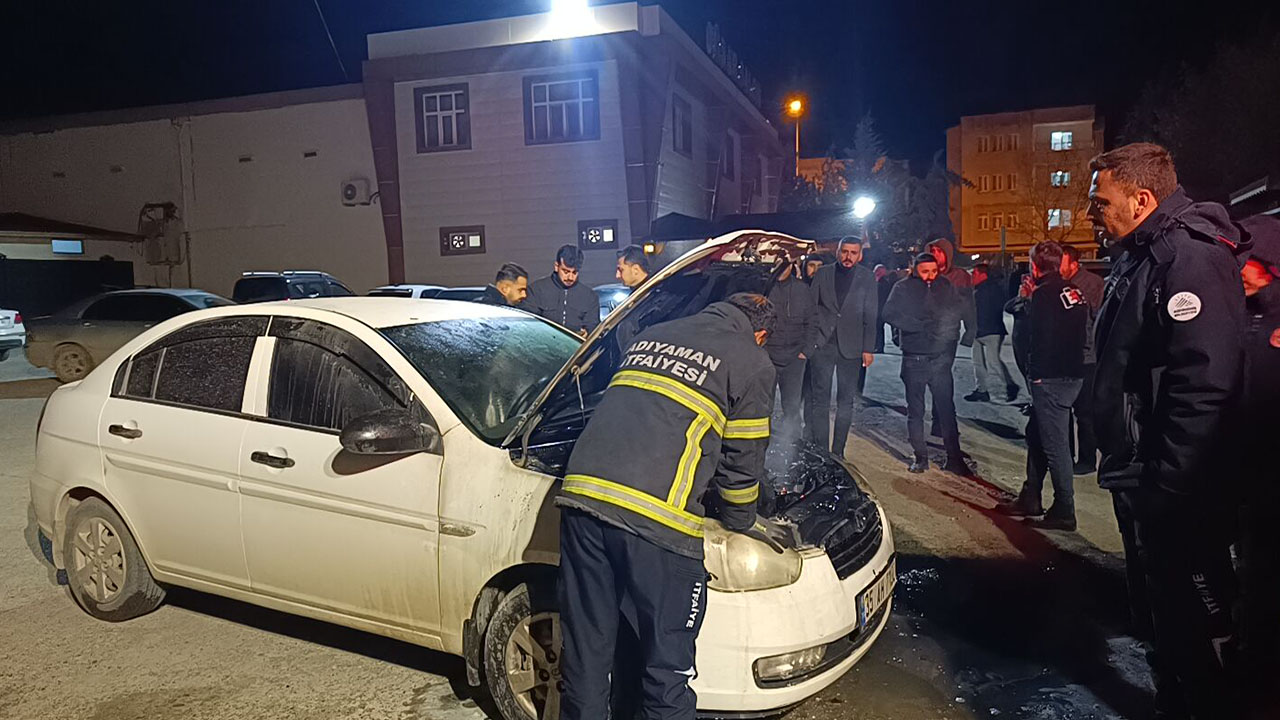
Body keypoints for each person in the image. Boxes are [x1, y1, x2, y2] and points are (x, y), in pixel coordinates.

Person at [556, 293, 789, 720]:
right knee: (667, 672)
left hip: (582, 501)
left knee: (586, 657)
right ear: (760, 334)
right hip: (656, 522)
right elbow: (742, 461)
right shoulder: (752, 361)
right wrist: (740, 518)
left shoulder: (652, 335)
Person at [1089, 143, 1251, 720]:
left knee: (1195, 616)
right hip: (1140, 469)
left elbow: (1205, 384)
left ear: (1141, 198)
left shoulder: (1188, 258)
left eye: (1100, 200)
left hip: (1173, 484)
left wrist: (1170, 484)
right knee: (1163, 612)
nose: (1092, 212)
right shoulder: (1141, 252)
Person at [995, 242, 1088, 530]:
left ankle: (1064, 509)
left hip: (1050, 379)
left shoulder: (1044, 296)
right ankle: (1030, 496)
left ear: (1035, 266)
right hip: (1072, 374)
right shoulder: (1074, 292)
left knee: (1055, 445)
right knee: (1037, 434)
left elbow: (1038, 339)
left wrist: (1035, 376)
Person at [1234, 215, 1280, 718]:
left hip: (1272, 472)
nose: (1236, 270)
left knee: (1264, 571)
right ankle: (1252, 655)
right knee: (1252, 568)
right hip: (1247, 469)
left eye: (1244, 261)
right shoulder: (1242, 314)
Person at [883, 253, 966, 474]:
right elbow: (888, 313)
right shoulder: (902, 288)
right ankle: (920, 457)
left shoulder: (945, 285)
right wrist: (916, 326)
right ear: (914, 269)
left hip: (940, 358)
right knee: (916, 410)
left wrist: (946, 334)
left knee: (946, 409)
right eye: (924, 271)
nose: (930, 276)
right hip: (914, 358)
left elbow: (958, 309)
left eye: (933, 271)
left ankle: (954, 457)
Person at [804, 237, 878, 457]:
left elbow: (871, 314)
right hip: (823, 344)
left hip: (852, 347)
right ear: (838, 252)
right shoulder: (823, 273)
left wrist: (868, 348)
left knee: (846, 401)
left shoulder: (867, 277)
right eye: (844, 252)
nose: (848, 257)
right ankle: (821, 451)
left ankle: (838, 452)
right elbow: (811, 307)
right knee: (820, 400)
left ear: (860, 255)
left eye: (853, 253)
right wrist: (812, 340)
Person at [1060, 245, 1105, 474]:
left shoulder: (1092, 283)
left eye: (1062, 262)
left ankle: (1087, 459)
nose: (1059, 267)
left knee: (1085, 412)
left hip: (1086, 357)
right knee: (1064, 409)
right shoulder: (1059, 284)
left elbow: (1096, 319)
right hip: (1066, 355)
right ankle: (1065, 456)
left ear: (1074, 263)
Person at [925, 238, 974, 439]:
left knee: (942, 378)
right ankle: (940, 419)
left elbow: (968, 305)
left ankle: (944, 422)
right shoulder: (923, 273)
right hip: (924, 336)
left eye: (939, 251)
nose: (936, 254)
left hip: (947, 335)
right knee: (931, 378)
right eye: (932, 250)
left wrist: (970, 330)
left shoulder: (959, 276)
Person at [766, 260, 815, 442]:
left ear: (791, 266)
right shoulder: (763, 288)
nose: (779, 269)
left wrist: (806, 351)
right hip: (768, 356)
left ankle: (793, 446)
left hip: (795, 357)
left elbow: (812, 321)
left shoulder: (802, 290)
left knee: (792, 407)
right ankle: (761, 446)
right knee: (764, 405)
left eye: (783, 265)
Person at [966, 263, 1020, 403]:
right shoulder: (985, 289)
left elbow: (987, 310)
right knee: (980, 362)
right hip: (983, 329)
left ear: (982, 274)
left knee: (992, 362)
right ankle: (983, 390)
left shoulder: (987, 290)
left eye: (974, 274)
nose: (972, 277)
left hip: (990, 330)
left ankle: (1008, 386)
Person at [527, 244, 600, 335]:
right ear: (556, 266)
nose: (570, 277)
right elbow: (528, 324)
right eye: (565, 271)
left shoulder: (589, 296)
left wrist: (588, 333)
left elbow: (592, 326)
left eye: (574, 272)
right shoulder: (537, 290)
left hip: (576, 347)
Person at [874, 263, 894, 353]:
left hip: (880, 309)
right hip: (878, 309)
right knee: (877, 328)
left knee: (878, 328)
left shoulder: (883, 282)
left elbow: (880, 296)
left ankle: (879, 347)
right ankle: (878, 346)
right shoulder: (880, 281)